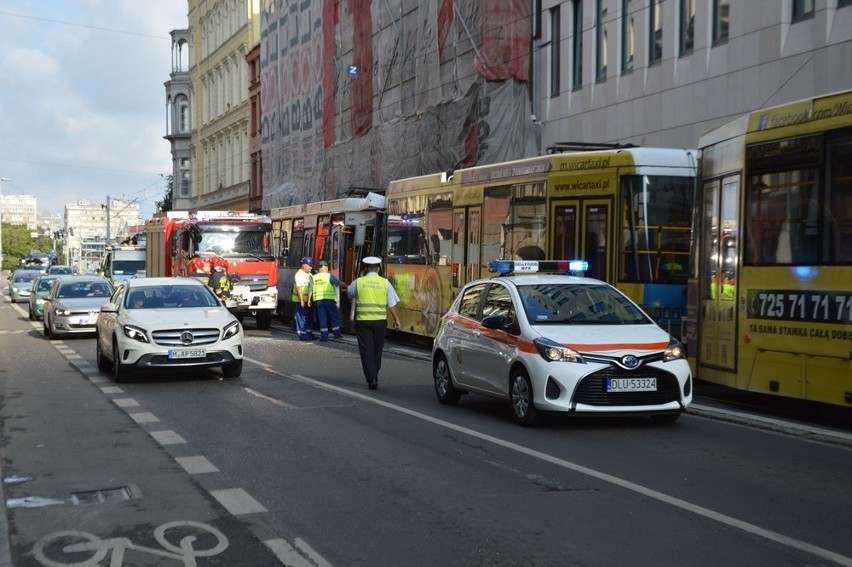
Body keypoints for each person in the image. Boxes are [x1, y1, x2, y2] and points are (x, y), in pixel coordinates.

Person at [347, 256, 401, 390]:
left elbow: (349, 293)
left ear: (365, 268)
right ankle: (374, 374)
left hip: (363, 322)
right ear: (379, 268)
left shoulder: (358, 282)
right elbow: (392, 304)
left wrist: (360, 279)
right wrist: (397, 320)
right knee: (377, 350)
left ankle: (371, 378)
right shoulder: (385, 283)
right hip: (380, 322)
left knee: (366, 350)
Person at [313, 260, 344, 341]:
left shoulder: (314, 277)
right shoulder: (329, 276)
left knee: (322, 319)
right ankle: (337, 334)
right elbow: (339, 283)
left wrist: (309, 300)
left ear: (320, 268)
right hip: (329, 301)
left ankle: (324, 337)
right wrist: (348, 286)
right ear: (326, 268)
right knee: (333, 318)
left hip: (319, 302)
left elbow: (310, 289)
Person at [292, 256, 316, 341]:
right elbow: (299, 288)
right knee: (301, 318)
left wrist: (309, 299)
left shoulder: (309, 274)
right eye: (309, 265)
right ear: (304, 265)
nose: (311, 267)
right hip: (300, 301)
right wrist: (302, 300)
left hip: (307, 301)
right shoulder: (299, 274)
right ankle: (302, 335)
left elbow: (310, 288)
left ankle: (308, 333)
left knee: (308, 317)